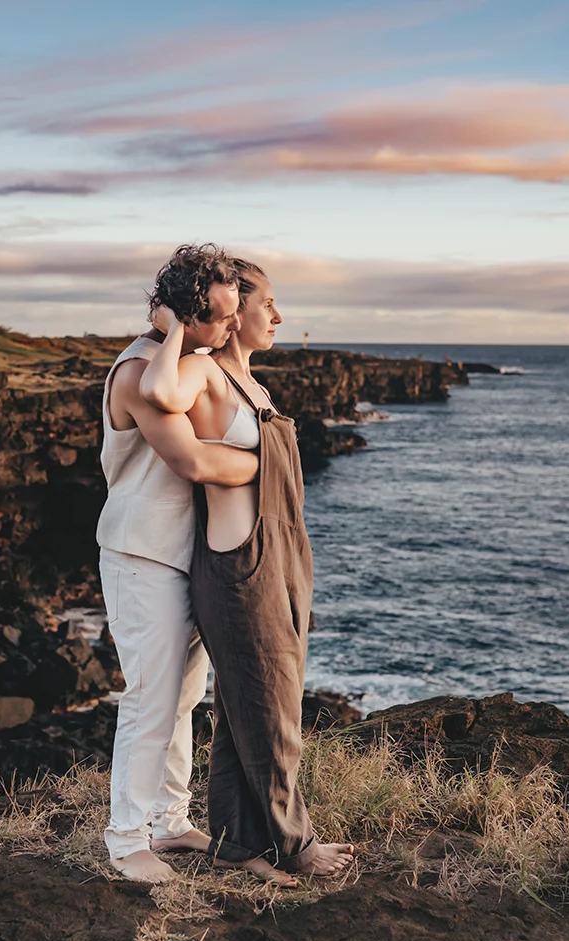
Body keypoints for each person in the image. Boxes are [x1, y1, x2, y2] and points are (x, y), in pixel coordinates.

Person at [139, 258, 355, 887]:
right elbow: (159, 395)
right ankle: (295, 843)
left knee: (243, 711)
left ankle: (237, 841)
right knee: (272, 710)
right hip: (240, 565)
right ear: (233, 319)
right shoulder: (202, 370)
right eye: (267, 306)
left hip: (281, 557)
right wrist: (175, 326)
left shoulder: (253, 386)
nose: (278, 317)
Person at [96, 244, 255, 885]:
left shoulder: (186, 363)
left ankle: (167, 818)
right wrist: (273, 466)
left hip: (180, 555)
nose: (231, 327)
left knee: (183, 697)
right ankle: (127, 839)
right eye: (218, 317)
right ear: (182, 317)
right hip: (141, 555)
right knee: (150, 700)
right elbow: (190, 462)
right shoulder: (139, 373)